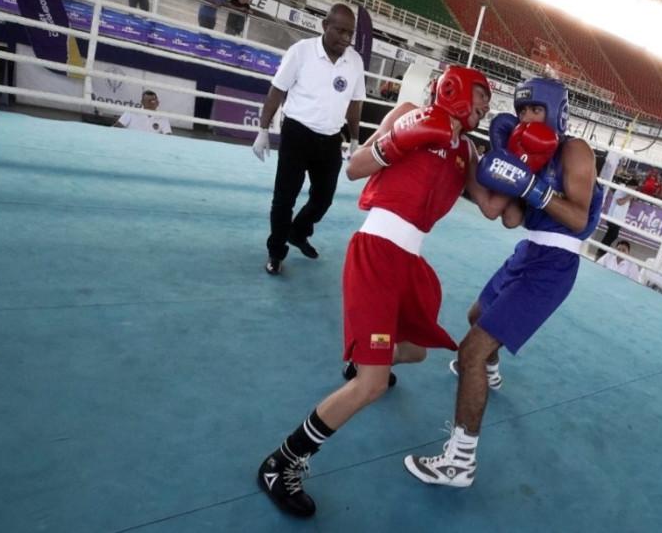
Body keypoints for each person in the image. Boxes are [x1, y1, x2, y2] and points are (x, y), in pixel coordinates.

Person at [255, 66, 498, 517]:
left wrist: (521, 172)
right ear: (456, 88)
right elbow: (354, 168)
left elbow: (491, 207)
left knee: (415, 352)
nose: (486, 106)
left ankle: (366, 359)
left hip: (409, 263)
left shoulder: (467, 150)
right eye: (482, 95)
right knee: (372, 384)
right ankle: (281, 462)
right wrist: (400, 140)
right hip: (376, 252)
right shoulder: (407, 113)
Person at [404, 77, 604, 488]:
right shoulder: (527, 150)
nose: (528, 117)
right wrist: (506, 167)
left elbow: (578, 218)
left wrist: (532, 186)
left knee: (471, 352)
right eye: (523, 110)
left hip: (555, 264)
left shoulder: (574, 151)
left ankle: (460, 462)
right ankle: (490, 373)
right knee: (476, 315)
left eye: (536, 110)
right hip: (528, 251)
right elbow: (511, 219)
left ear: (556, 112)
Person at [252, 4, 365, 275]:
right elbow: (276, 91)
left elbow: (355, 103)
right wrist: (263, 130)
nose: (345, 38)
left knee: (323, 198)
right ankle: (276, 252)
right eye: (340, 31)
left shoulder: (355, 61)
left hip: (331, 138)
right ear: (325, 26)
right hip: (297, 133)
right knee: (284, 199)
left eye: (350, 33)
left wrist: (355, 139)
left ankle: (298, 231)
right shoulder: (301, 51)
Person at [596, 179, 634, 259]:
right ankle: (601, 253)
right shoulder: (621, 189)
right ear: (631, 186)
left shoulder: (627, 192)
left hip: (618, 219)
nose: (634, 190)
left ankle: (602, 253)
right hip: (614, 218)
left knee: (611, 236)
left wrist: (631, 197)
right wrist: (630, 196)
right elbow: (619, 202)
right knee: (610, 236)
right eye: (634, 188)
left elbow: (628, 205)